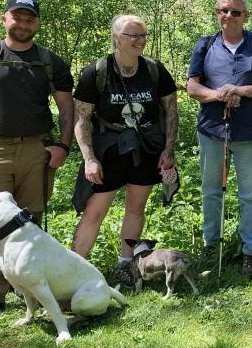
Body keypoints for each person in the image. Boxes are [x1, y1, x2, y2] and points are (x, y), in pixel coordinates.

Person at [0, 0, 75, 322]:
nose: (23, 24)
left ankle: (27, 286)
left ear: (37, 23)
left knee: (29, 223)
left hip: (38, 151)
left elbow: (67, 106)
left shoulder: (50, 62)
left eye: (30, 19)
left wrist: (62, 146)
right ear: (4, 18)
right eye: (17, 18)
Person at [71, 15, 179, 287]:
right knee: (94, 212)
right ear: (116, 38)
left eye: (143, 35)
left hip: (146, 149)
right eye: (133, 35)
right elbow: (82, 119)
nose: (140, 41)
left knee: (135, 208)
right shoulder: (96, 72)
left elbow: (171, 110)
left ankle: (127, 266)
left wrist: (169, 150)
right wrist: (89, 159)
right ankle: (71, 269)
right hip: (109, 151)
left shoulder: (154, 70)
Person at [187, 0, 252, 275]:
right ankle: (211, 246)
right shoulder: (205, 44)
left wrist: (240, 90)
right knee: (211, 191)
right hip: (212, 130)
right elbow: (192, 88)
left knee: (250, 193)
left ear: (245, 16)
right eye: (223, 10)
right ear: (217, 13)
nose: (228, 16)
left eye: (235, 12)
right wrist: (221, 94)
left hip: (250, 131)